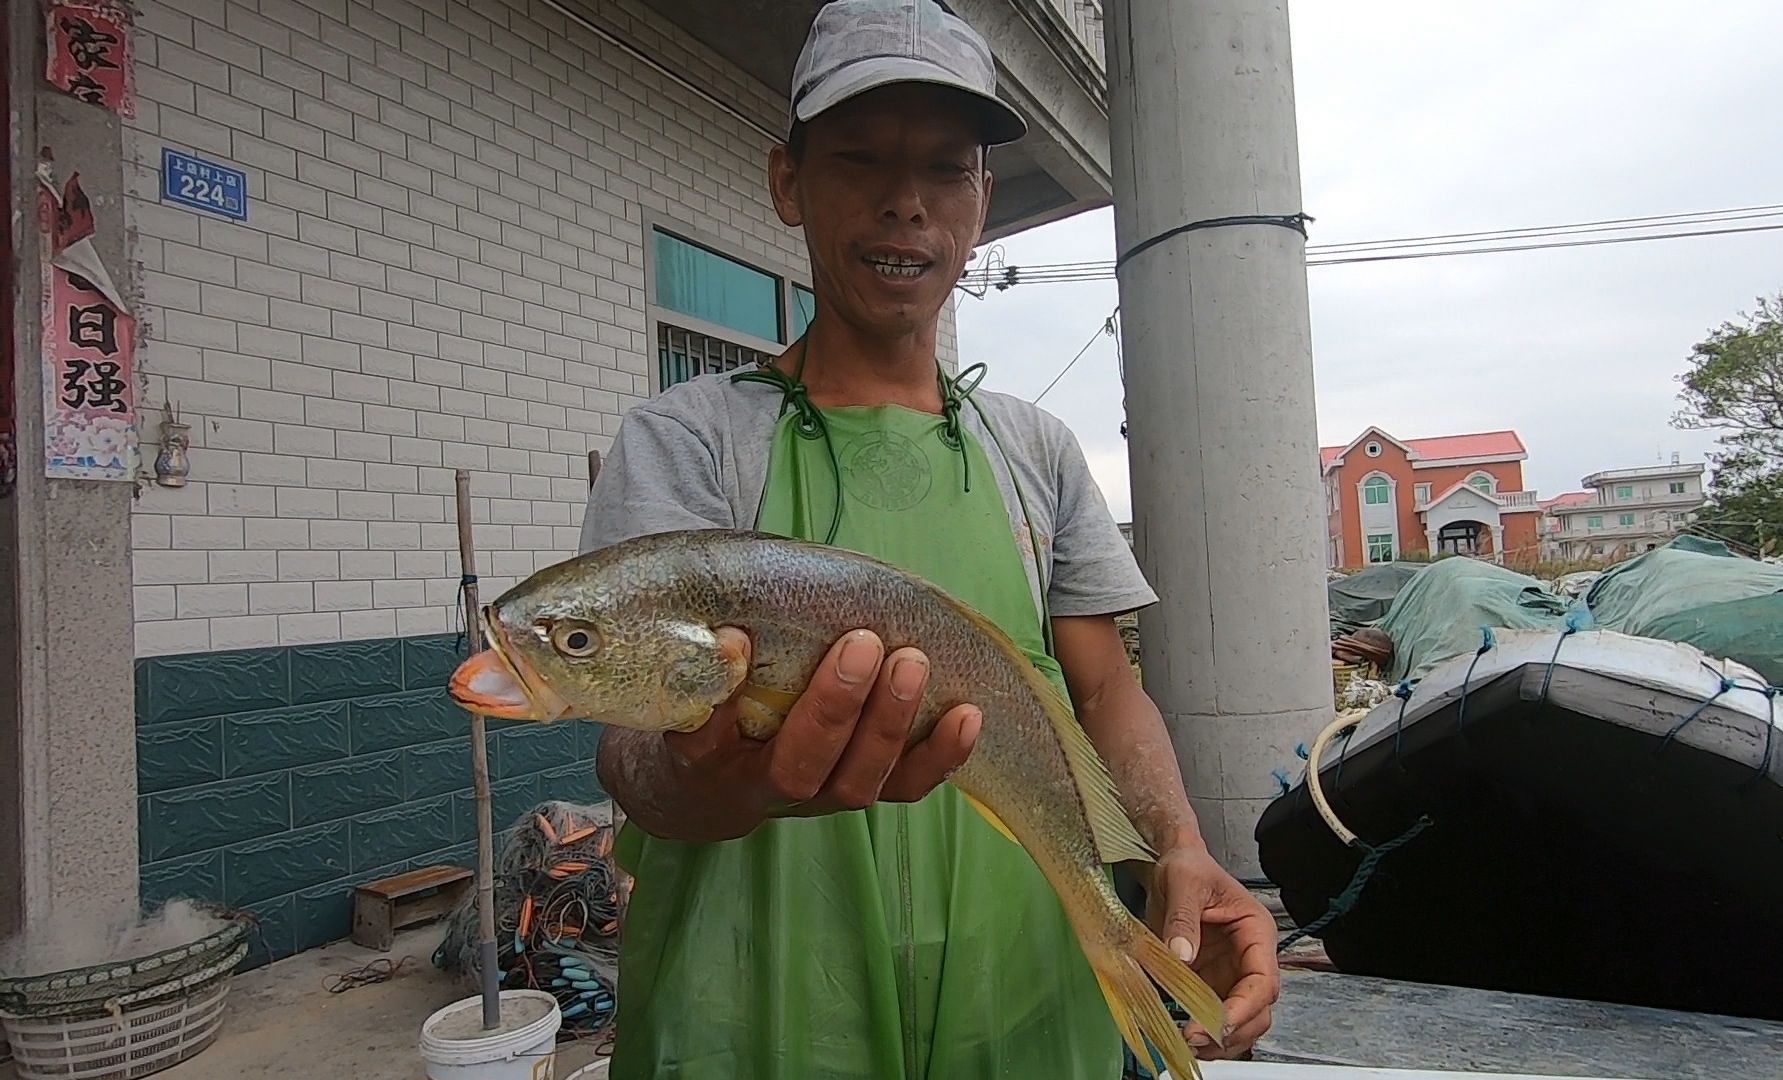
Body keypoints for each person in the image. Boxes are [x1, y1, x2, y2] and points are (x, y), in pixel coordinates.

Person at [579, 2, 1279, 1076]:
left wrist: (1174, 844)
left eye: (946, 171)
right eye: (859, 158)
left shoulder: (1035, 453)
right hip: (759, 1009)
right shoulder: (689, 440)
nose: (904, 202)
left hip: (1029, 986)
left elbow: (1103, 691)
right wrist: (727, 783)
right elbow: (632, 752)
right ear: (787, 182)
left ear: (981, 202)